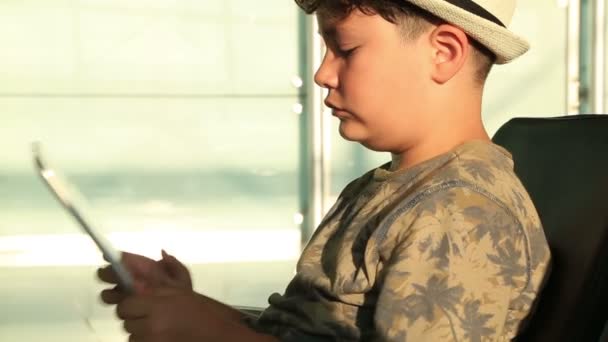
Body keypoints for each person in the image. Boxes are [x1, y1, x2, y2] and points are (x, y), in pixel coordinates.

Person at [97, 0, 551, 340]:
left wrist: (212, 333)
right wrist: (197, 311)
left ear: (443, 53)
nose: (322, 73)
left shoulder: (461, 213)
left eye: (346, 49)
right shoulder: (392, 190)